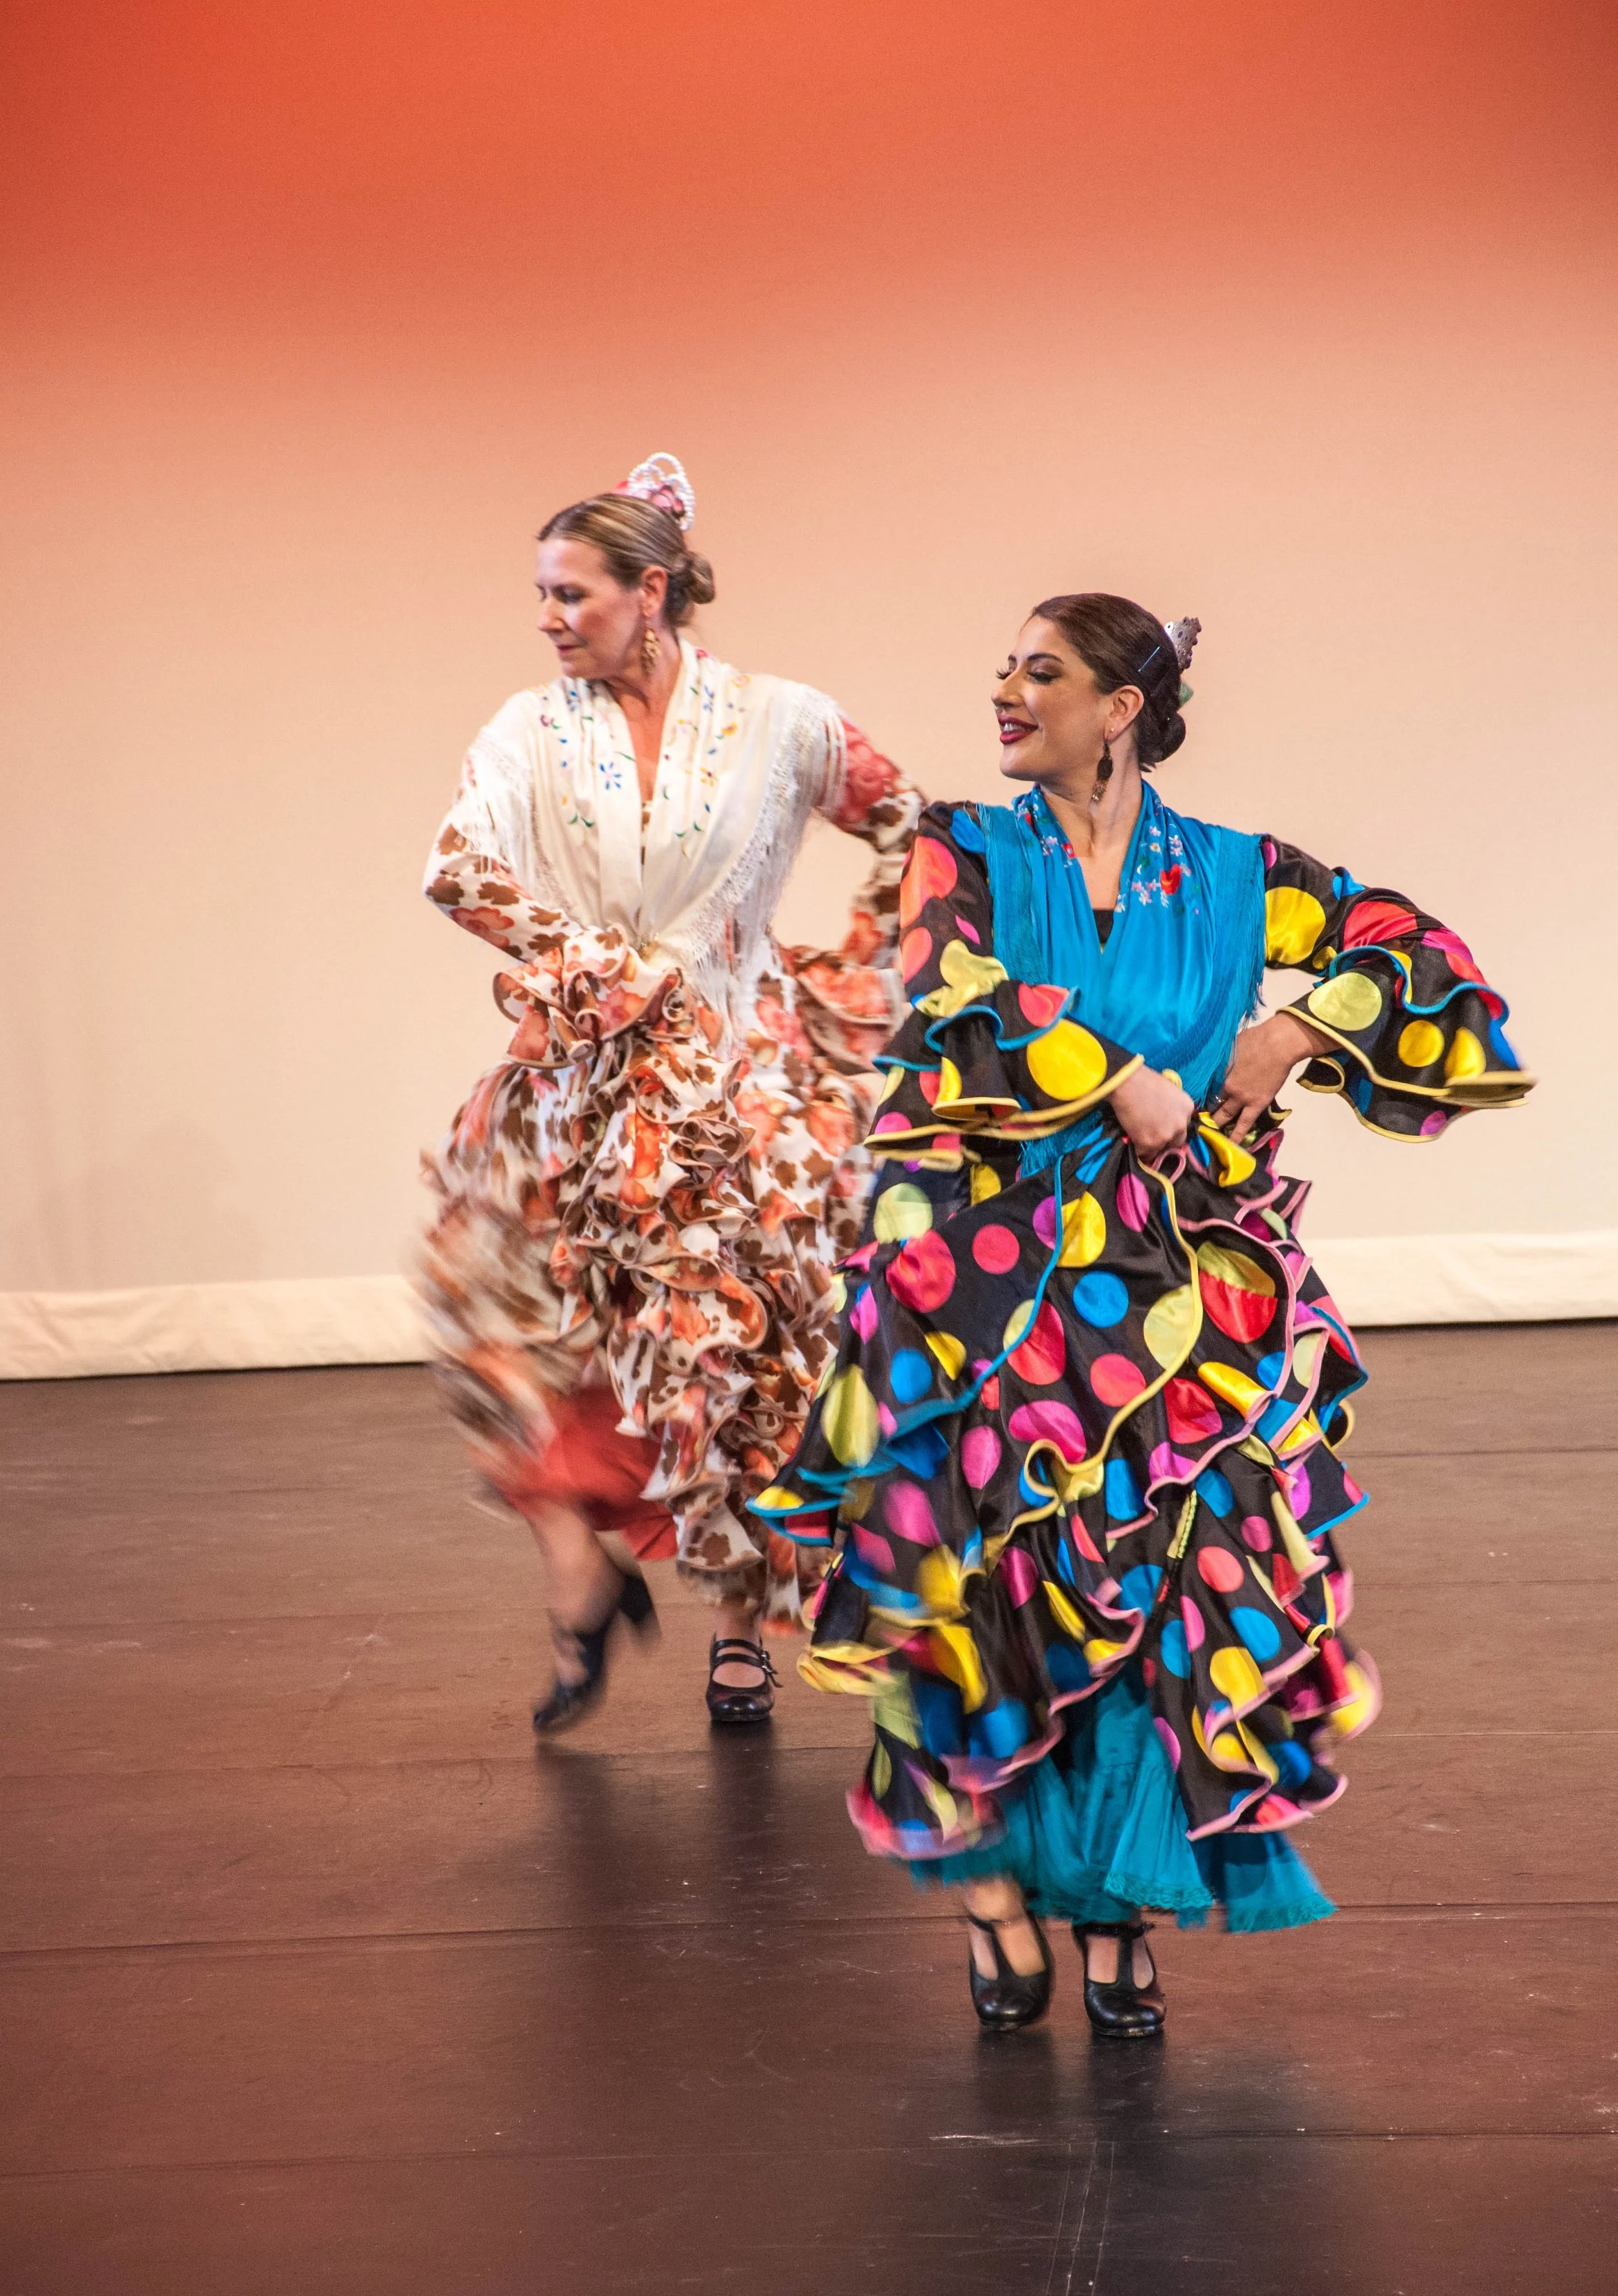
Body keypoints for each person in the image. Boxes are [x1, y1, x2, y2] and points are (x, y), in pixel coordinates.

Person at [751, 592, 1532, 2033]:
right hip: (981, 1283)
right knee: (971, 1587)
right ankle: (991, 1895)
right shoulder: (960, 847)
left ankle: (1118, 1904)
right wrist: (1120, 1077)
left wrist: (1291, 1026)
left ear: (1118, 708)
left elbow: (1415, 954)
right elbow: (951, 982)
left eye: (1037, 670)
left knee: (1156, 1591)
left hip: (1184, 1296)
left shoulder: (1238, 875)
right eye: (1001, 665)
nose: (1002, 688)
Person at [419, 455, 924, 1730]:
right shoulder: (525, 730)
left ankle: (741, 1630)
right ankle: (579, 1580)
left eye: (569, 593)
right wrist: (589, 969)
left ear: (650, 591)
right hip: (579, 1079)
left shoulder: (784, 722)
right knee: (523, 1326)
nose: (545, 617)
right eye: (538, 593)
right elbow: (459, 869)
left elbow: (909, 824)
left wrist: (848, 975)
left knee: (738, 1363)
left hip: (741, 1085)